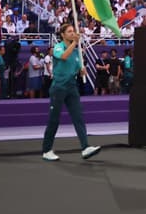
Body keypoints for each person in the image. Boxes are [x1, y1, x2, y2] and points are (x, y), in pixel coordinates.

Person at [41, 23, 101, 162]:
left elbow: (79, 68)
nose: (72, 33)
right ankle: (46, 150)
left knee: (78, 117)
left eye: (73, 31)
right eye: (69, 31)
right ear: (62, 34)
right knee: (54, 120)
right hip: (58, 87)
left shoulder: (77, 51)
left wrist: (82, 70)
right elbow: (63, 57)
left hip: (72, 87)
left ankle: (85, 147)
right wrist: (75, 43)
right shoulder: (58, 47)